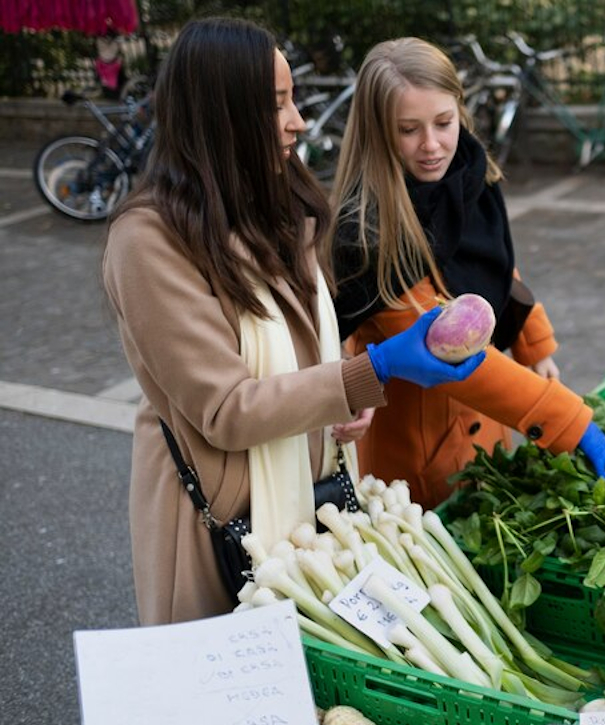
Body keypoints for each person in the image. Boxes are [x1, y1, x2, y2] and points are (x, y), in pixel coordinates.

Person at [101, 19, 482, 626]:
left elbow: (310, 337)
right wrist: (368, 372)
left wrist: (345, 388)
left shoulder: (285, 202)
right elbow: (226, 409)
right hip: (221, 517)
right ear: (222, 115)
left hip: (316, 497)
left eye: (292, 100)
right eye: (277, 104)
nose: (298, 121)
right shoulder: (149, 240)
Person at [330, 37, 605, 508]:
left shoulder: (468, 175)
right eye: (408, 130)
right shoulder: (368, 231)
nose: (432, 145)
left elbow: (496, 265)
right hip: (421, 458)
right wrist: (573, 423)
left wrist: (531, 339)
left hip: (489, 430)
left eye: (444, 122)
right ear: (378, 131)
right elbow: (448, 349)